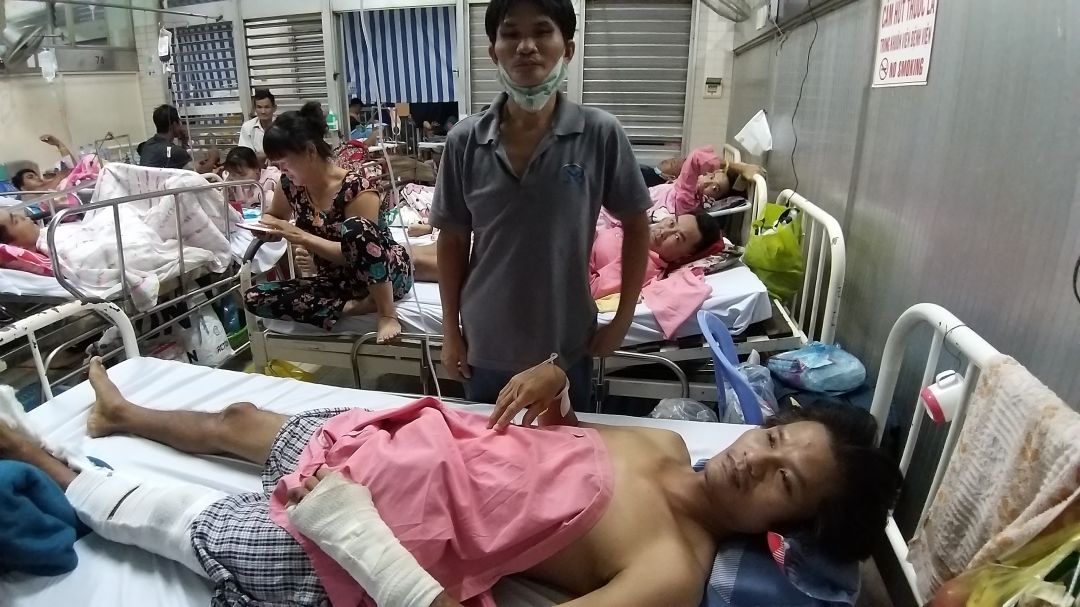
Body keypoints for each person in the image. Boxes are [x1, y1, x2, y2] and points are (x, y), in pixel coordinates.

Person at [0, 357, 902, 607]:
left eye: (784, 481)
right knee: (239, 419)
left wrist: (361, 540)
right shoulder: (665, 440)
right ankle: (123, 414)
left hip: (380, 537)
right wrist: (555, 383)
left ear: (789, 528)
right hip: (406, 445)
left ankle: (44, 459)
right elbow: (558, 453)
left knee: (184, 523)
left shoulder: (672, 567)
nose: (751, 457)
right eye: (773, 436)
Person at [430, 0, 652, 411]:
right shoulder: (465, 141)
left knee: (564, 445)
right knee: (488, 445)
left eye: (542, 32)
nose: (526, 46)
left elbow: (638, 225)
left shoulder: (600, 134)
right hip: (485, 343)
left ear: (568, 48)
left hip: (565, 346)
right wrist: (450, 331)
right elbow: (453, 240)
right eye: (511, 34)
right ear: (493, 51)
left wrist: (622, 321)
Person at [243, 102, 413, 343]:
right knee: (254, 296)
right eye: (277, 166)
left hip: (382, 276)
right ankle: (352, 307)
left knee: (356, 228)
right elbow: (274, 215)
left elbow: (359, 255)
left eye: (284, 163)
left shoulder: (357, 188)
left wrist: (301, 237)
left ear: (310, 151)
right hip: (335, 280)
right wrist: (269, 228)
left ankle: (386, 313)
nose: (282, 171)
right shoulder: (290, 185)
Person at [407, 210, 723, 292]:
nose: (666, 230)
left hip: (543, 267)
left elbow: (591, 288)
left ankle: (389, 268)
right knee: (460, 243)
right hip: (543, 245)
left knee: (424, 263)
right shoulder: (637, 235)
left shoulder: (641, 263)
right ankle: (392, 254)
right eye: (672, 222)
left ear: (683, 256)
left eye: (678, 237)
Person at [11, 135, 77, 191]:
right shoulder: (44, 197)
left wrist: (59, 144)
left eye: (36, 175)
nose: (37, 177)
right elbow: (72, 169)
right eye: (30, 177)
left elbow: (74, 169)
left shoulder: (54, 183)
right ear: (24, 188)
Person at [138, 105, 193, 170]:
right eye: (179, 122)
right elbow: (193, 171)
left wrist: (184, 143)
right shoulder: (176, 152)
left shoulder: (147, 146)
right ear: (174, 124)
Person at [239, 88, 277, 162]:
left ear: (274, 108)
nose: (263, 111)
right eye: (259, 107)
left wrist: (260, 155)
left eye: (267, 107)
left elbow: (287, 153)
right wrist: (270, 155)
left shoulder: (282, 125)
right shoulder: (247, 127)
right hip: (255, 166)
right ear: (255, 109)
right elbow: (245, 156)